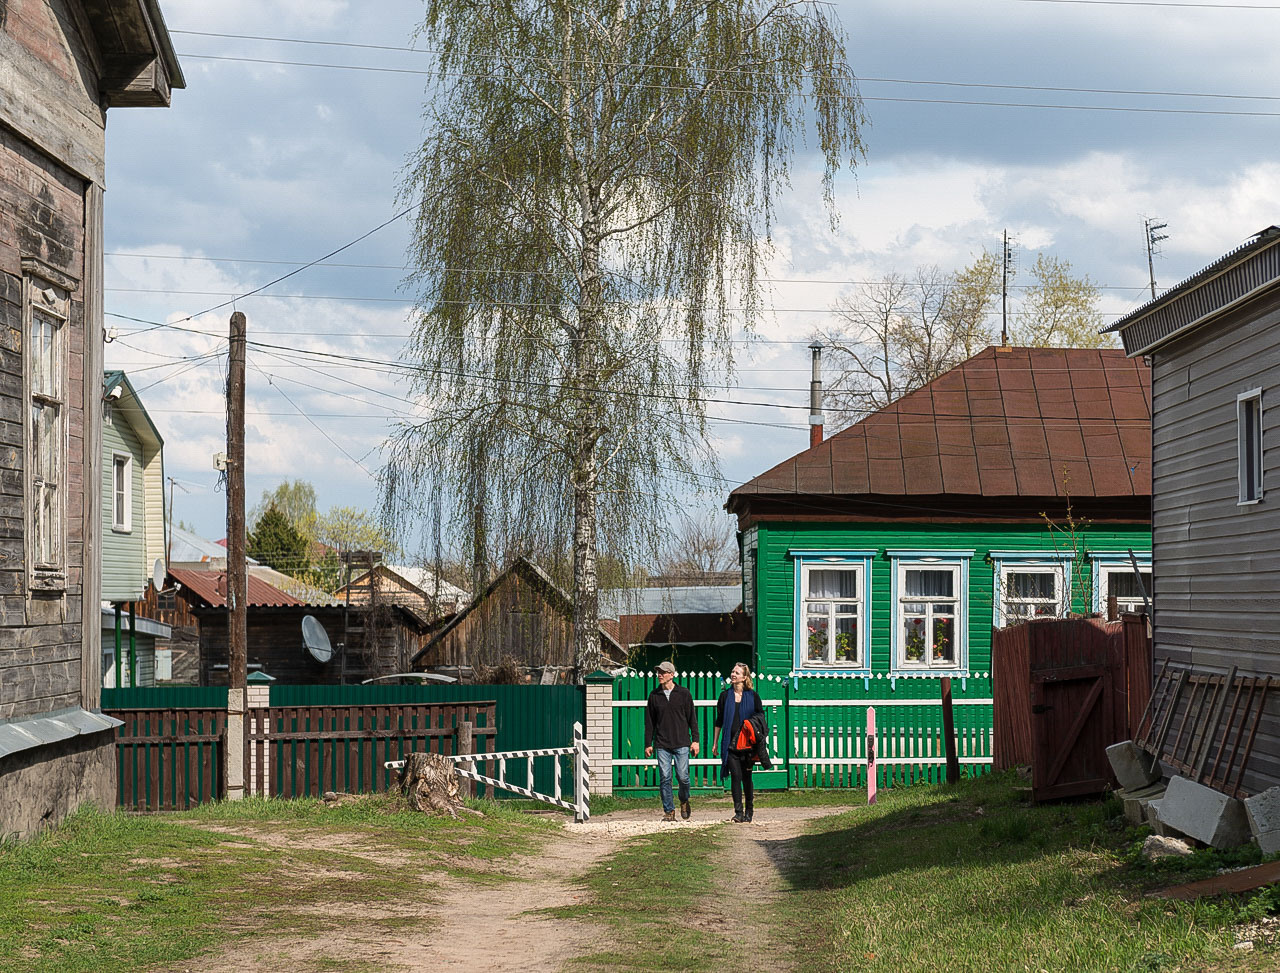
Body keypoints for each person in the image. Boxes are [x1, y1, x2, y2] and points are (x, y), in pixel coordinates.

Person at [644, 661, 699, 822]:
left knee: (683, 777)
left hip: (682, 742)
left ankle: (684, 799)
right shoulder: (654, 696)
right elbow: (650, 722)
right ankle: (669, 811)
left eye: (663, 672)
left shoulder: (684, 693)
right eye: (658, 672)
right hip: (662, 744)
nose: (659, 675)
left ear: (672, 675)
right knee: (665, 777)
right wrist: (648, 744)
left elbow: (692, 719)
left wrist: (695, 740)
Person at [713, 662, 764, 823]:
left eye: (737, 673)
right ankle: (738, 813)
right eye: (733, 671)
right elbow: (719, 721)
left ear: (744, 677)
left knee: (746, 777)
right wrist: (715, 743)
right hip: (730, 744)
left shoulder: (753, 696)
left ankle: (749, 810)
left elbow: (761, 718)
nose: (733, 674)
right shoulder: (725, 696)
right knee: (736, 776)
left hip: (747, 745)